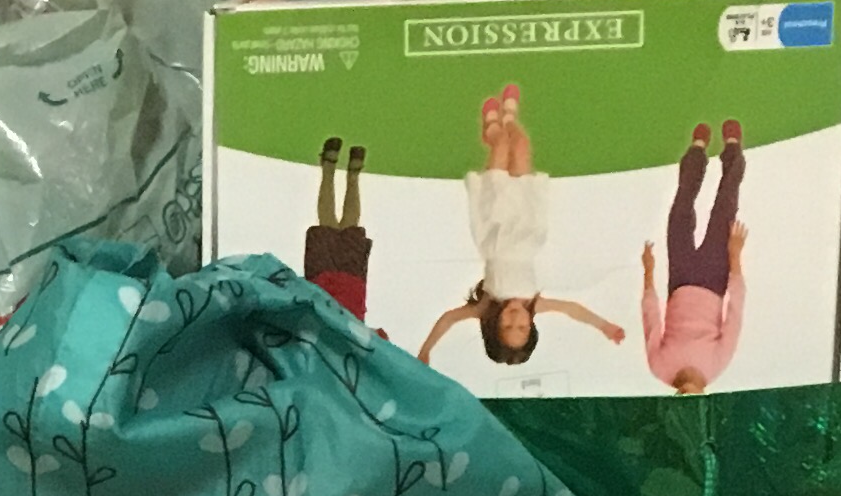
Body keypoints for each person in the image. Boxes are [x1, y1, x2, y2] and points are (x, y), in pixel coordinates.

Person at [418, 85, 624, 370]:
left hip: (496, 224)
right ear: (531, 325)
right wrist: (605, 326)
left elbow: (449, 319)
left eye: (507, 326)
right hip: (528, 225)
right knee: (522, 145)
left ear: (492, 326)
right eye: (522, 327)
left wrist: (426, 350)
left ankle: (493, 129)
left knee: (502, 146)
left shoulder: (485, 306)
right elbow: (572, 310)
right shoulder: (533, 304)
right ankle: (508, 118)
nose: (515, 319)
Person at [642, 119, 748, 393]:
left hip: (680, 279)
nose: (685, 394)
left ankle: (697, 151)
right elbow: (735, 312)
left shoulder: (659, 367)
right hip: (714, 280)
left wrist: (648, 272)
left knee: (679, 212)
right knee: (725, 207)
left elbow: (651, 318)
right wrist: (735, 256)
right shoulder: (716, 364)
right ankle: (733, 150)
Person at [302, 135, 372, 320]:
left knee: (344, 226)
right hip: (331, 291)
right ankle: (334, 168)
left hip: (345, 290)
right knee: (332, 226)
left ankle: (346, 170)